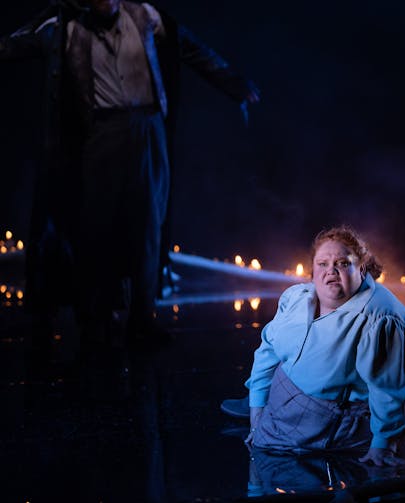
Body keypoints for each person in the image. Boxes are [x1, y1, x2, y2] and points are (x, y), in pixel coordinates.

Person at [0, 0, 260, 348]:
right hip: (100, 132)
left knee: (148, 227)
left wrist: (233, 83)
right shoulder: (64, 25)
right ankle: (95, 317)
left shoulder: (145, 16)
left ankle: (143, 318)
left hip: (148, 129)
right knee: (95, 228)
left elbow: (194, 49)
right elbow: (13, 44)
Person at [222, 225, 405, 467]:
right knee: (264, 408)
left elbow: (387, 388)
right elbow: (268, 351)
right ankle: (267, 401)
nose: (332, 271)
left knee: (268, 455)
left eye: (343, 263)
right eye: (323, 264)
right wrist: (258, 407)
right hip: (288, 389)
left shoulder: (379, 319)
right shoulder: (298, 297)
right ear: (313, 271)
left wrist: (383, 443)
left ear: (361, 267)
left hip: (337, 414)